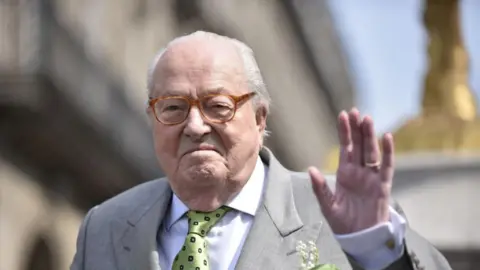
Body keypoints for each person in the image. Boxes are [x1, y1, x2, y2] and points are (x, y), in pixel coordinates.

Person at [70, 31, 451, 270]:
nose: (195, 126)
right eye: (173, 107)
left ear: (259, 119)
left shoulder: (349, 217)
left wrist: (376, 253)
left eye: (218, 106)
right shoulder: (105, 226)